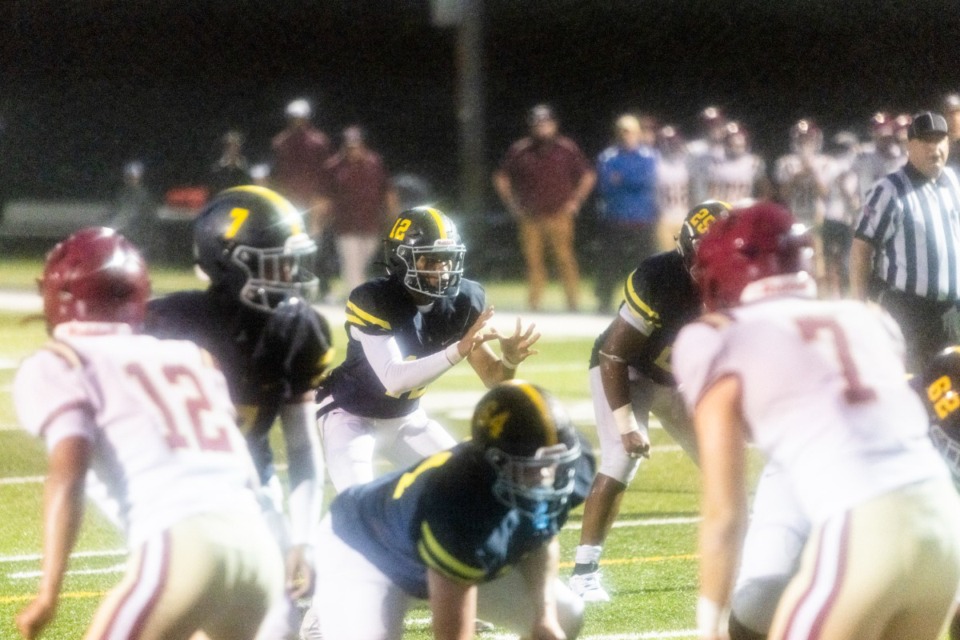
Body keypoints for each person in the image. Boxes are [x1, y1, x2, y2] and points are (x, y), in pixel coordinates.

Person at [672, 201, 960, 640]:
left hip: (868, 529)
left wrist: (709, 621)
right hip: (944, 525)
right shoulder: (871, 320)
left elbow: (725, 515)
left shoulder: (715, 338)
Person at [13, 227, 283, 640]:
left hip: (183, 544)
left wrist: (49, 591)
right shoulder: (192, 357)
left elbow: (67, 477)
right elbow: (244, 466)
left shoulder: (65, 360)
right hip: (257, 548)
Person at [144, 185, 333, 640]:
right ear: (228, 262)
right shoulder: (169, 325)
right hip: (171, 485)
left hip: (249, 475)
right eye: (274, 262)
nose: (290, 274)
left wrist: (302, 538)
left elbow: (303, 447)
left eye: (292, 260)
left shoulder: (299, 328)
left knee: (281, 615)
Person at [304, 380, 595, 640]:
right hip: (363, 550)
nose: (546, 476)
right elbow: (453, 634)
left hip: (432, 543)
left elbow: (541, 534)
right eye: (531, 468)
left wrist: (543, 615)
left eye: (553, 464)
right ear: (495, 463)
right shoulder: (458, 501)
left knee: (564, 615)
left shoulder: (569, 464)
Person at [568, 200, 731, 602]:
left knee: (722, 459)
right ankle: (584, 572)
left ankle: (745, 556)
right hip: (626, 370)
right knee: (621, 459)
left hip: (679, 378)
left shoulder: (741, 284)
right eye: (702, 254)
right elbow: (613, 354)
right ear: (686, 249)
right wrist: (625, 425)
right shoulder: (659, 276)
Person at [315, 206, 540, 492]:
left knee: (475, 488)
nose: (442, 270)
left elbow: (494, 379)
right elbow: (394, 379)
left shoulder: (463, 301)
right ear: (401, 260)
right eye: (431, 260)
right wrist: (458, 349)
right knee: (358, 501)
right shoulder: (375, 299)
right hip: (350, 415)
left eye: (447, 260)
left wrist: (509, 359)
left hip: (407, 419)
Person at [850, 110, 960, 374]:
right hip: (910, 310)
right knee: (915, 385)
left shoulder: (954, 182)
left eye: (940, 140)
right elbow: (861, 249)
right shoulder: (889, 189)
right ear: (910, 145)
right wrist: (861, 306)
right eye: (926, 141)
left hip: (951, 310)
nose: (935, 148)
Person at [493, 103, 596, 312]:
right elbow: (501, 177)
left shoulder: (566, 148)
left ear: (554, 125)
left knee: (564, 259)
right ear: (531, 126)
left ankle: (573, 303)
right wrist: (512, 204)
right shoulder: (520, 150)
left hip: (559, 214)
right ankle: (534, 304)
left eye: (546, 123)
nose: (542, 128)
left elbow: (588, 175)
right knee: (533, 262)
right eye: (538, 124)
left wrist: (576, 200)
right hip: (530, 216)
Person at [593, 113, 659, 313]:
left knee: (644, 263)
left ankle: (645, 301)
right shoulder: (608, 156)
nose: (626, 136)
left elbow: (647, 181)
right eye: (623, 132)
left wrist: (622, 179)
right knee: (609, 263)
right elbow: (606, 186)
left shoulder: (649, 156)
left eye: (630, 132)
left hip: (643, 217)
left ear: (638, 133)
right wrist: (631, 181)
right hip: (616, 217)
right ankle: (603, 302)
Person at [325, 125, 400, 298]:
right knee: (352, 263)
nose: (353, 150)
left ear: (362, 144)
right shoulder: (334, 166)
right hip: (346, 225)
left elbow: (387, 190)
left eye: (356, 145)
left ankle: (349, 291)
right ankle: (357, 300)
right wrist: (320, 218)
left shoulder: (374, 163)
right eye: (349, 146)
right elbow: (325, 196)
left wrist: (394, 214)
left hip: (370, 223)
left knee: (362, 263)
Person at [271, 98, 336, 298]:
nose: (297, 121)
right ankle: (291, 283)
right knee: (287, 244)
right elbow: (277, 174)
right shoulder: (280, 142)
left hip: (312, 202)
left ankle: (322, 288)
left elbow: (327, 173)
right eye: (294, 118)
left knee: (317, 244)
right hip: (288, 203)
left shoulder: (319, 142)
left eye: (300, 117)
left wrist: (324, 200)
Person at [706, 121, 769, 205]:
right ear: (726, 141)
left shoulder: (753, 163)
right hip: (722, 210)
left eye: (739, 138)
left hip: (744, 211)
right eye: (732, 140)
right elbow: (710, 192)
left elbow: (765, 190)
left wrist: (757, 207)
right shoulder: (715, 162)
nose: (737, 141)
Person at [108, 160, 158, 258]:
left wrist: (116, 226)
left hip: (138, 235)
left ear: (138, 177)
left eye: (133, 177)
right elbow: (115, 211)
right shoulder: (122, 194)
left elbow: (139, 215)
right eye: (129, 177)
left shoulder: (142, 195)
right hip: (124, 234)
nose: (130, 180)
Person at [655, 124, 692, 252]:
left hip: (686, 215)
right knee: (666, 257)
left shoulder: (688, 162)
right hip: (664, 218)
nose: (670, 145)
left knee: (688, 257)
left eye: (672, 141)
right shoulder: (655, 164)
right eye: (666, 142)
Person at [209, 129, 252, 193]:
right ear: (225, 147)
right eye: (230, 145)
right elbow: (212, 188)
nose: (233, 148)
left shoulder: (247, 167)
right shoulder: (216, 167)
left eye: (236, 145)